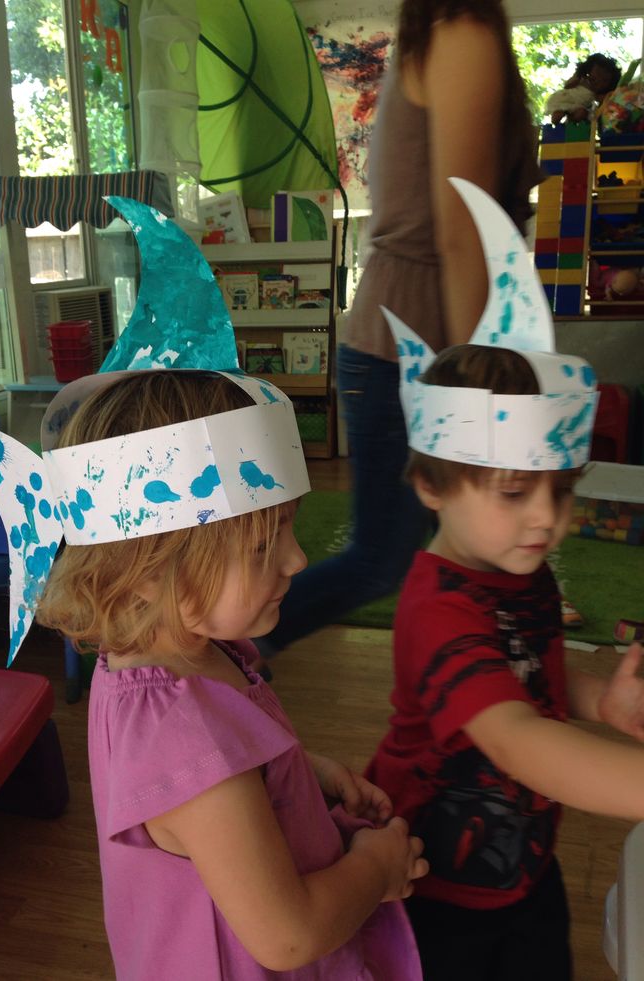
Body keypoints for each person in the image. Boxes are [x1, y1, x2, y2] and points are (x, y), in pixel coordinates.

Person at [0, 199, 427, 981]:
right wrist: (378, 864)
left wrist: (307, 770)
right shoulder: (179, 723)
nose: (299, 561)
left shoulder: (192, 654)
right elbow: (289, 935)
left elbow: (229, 768)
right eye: (266, 544)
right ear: (152, 566)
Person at [366, 180, 644, 981]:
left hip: (524, 866)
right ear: (431, 485)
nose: (546, 520)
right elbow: (519, 739)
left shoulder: (516, 570)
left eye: (562, 488)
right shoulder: (438, 608)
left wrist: (601, 699)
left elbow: (537, 677)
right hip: (439, 889)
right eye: (516, 491)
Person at [253, 0, 541, 669]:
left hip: (415, 347)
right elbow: (463, 231)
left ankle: (478, 700)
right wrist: (482, 392)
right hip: (412, 352)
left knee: (465, 556)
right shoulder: (462, 34)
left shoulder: (447, 34)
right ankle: (228, 656)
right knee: (384, 559)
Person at [545, 53, 621, 125]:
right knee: (558, 114)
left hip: (579, 106)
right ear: (590, 70)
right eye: (598, 73)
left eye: (605, 80)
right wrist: (577, 79)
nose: (599, 80)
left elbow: (603, 99)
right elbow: (567, 85)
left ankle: (569, 125)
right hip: (566, 99)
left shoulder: (596, 93)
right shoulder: (583, 80)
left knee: (581, 113)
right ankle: (555, 127)